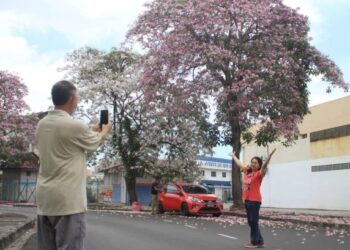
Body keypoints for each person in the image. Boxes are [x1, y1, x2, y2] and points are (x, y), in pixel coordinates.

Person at [35, 80, 112, 250]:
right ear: (72, 100)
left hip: (45, 200)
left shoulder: (42, 124)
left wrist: (90, 130)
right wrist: (105, 131)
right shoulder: (74, 125)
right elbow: (94, 142)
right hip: (68, 201)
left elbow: (70, 141)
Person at [230, 149, 276, 249]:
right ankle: (260, 241)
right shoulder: (247, 172)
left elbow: (264, 166)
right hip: (247, 200)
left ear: (259, 165)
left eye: (255, 163)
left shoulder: (259, 174)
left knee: (253, 221)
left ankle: (254, 242)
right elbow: (240, 164)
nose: (253, 164)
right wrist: (233, 156)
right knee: (251, 222)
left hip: (255, 201)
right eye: (252, 162)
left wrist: (269, 157)